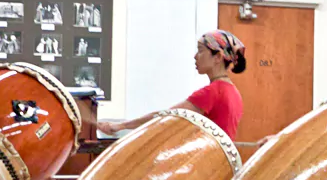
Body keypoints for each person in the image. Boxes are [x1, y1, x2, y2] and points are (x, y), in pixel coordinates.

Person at [97, 30, 246, 139]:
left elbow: (165, 116)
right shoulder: (233, 92)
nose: (195, 56)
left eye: (200, 51)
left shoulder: (213, 92)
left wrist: (120, 126)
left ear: (218, 57)